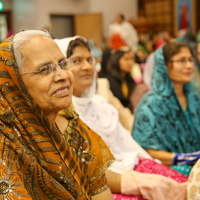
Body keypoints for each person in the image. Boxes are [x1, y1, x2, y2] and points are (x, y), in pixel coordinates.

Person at [56, 36, 188, 200]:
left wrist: (154, 165)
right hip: (107, 180)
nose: (87, 66)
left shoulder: (100, 104)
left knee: (184, 186)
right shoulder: (60, 114)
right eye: (76, 61)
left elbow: (127, 140)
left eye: (90, 59)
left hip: (131, 162)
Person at [0, 30, 115, 200]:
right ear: (14, 84)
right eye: (45, 70)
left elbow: (101, 193)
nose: (62, 75)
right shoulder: (6, 145)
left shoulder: (76, 131)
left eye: (63, 64)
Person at [132, 41, 200, 176]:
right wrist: (185, 159)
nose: (189, 66)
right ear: (164, 66)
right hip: (168, 168)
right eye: (181, 61)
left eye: (190, 60)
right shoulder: (150, 104)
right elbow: (147, 150)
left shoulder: (194, 96)